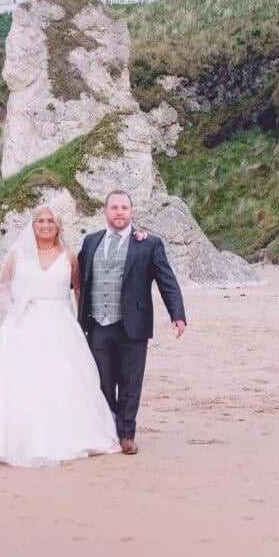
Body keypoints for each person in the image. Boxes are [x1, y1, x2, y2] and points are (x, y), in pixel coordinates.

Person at [0, 206, 121, 468]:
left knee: (63, 376)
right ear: (32, 225)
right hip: (23, 324)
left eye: (50, 221)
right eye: (40, 221)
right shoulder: (19, 254)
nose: (45, 225)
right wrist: (18, 305)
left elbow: (78, 289)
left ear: (58, 226)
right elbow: (2, 286)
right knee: (23, 379)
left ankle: (69, 434)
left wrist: (82, 321)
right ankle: (20, 437)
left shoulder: (68, 255)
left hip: (61, 324)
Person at [78, 190, 186, 454]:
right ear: (105, 211)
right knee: (101, 381)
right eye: (114, 207)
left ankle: (126, 434)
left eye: (124, 207)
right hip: (97, 324)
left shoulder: (149, 243)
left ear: (131, 212)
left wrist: (177, 314)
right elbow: (76, 278)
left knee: (129, 382)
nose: (119, 212)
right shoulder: (91, 241)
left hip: (133, 324)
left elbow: (166, 281)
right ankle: (106, 430)